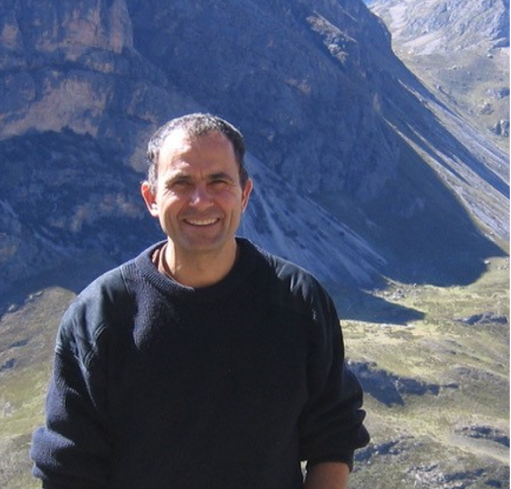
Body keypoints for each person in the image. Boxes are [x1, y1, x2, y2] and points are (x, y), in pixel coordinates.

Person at [30, 113, 369, 489]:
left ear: (244, 194)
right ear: (151, 198)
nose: (201, 200)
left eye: (218, 182)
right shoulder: (100, 315)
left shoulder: (299, 302)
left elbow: (334, 433)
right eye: (181, 182)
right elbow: (68, 468)